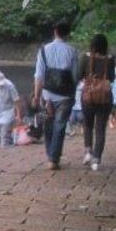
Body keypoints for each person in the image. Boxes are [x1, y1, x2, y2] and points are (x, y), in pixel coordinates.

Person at [32, 22, 80, 170]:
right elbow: (75, 76)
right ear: (67, 34)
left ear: (55, 31)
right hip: (66, 96)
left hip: (48, 96)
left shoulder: (44, 50)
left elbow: (39, 76)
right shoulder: (72, 51)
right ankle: (54, 159)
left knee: (48, 125)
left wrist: (36, 96)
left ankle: (50, 155)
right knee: (60, 125)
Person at [78, 34, 115, 171]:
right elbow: (111, 78)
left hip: (88, 97)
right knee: (100, 129)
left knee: (87, 124)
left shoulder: (85, 58)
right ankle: (96, 160)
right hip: (105, 98)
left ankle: (88, 152)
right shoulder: (110, 60)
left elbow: (78, 75)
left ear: (92, 45)